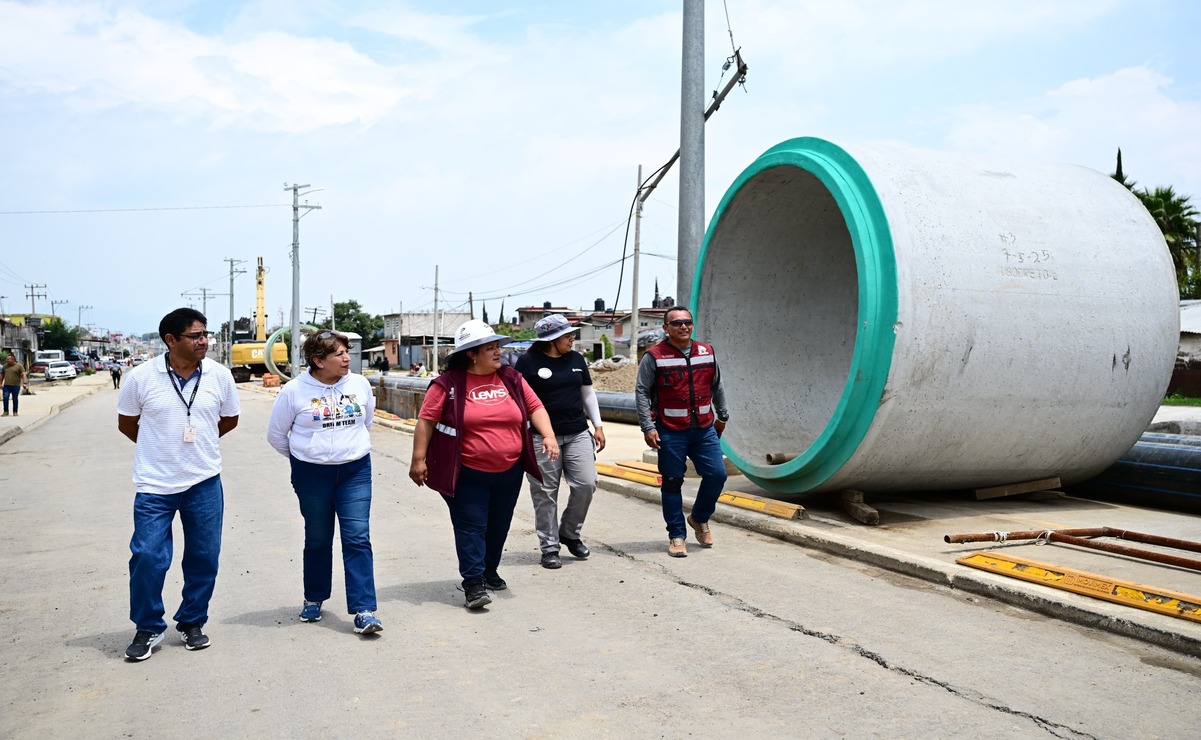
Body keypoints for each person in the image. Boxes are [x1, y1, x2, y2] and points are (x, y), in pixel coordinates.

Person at [116, 308, 240, 660]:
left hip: (203, 482)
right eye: (195, 336)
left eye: (206, 334)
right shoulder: (140, 378)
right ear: (171, 340)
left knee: (203, 556)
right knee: (147, 556)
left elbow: (229, 419)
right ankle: (148, 626)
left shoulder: (219, 376)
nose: (204, 341)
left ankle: (192, 621)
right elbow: (127, 424)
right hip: (154, 485)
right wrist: (163, 448)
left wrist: (198, 446)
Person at [409, 319, 559, 609]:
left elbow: (535, 406)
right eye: (489, 348)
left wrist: (549, 435)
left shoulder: (512, 378)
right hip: (466, 470)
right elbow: (426, 420)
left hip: (509, 469)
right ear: (471, 354)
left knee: (499, 524)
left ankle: (489, 569)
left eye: (497, 347)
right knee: (471, 525)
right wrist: (418, 459)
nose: (497, 352)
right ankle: (473, 583)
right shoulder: (447, 384)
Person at [267, 330, 382, 635]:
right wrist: (307, 457)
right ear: (318, 361)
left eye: (347, 351)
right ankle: (314, 598)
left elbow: (366, 422)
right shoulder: (294, 391)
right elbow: (277, 436)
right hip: (311, 473)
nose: (347, 357)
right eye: (339, 353)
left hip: (355, 471)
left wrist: (346, 448)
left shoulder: (359, 384)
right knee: (318, 537)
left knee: (357, 537)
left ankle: (364, 609)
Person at [635, 306, 730, 558]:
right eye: (676, 323)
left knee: (717, 475)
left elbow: (716, 384)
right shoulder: (654, 356)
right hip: (670, 430)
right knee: (672, 482)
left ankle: (699, 518)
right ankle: (677, 535)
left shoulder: (706, 352)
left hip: (703, 429)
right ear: (666, 328)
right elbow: (642, 392)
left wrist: (723, 414)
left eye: (687, 322)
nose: (683, 327)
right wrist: (648, 426)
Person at [515, 315, 606, 569]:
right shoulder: (527, 363)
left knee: (586, 484)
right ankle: (549, 547)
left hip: (577, 432)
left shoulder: (577, 359)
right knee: (545, 493)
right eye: (567, 335)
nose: (572, 339)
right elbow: (521, 402)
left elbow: (587, 393)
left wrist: (597, 425)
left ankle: (569, 532)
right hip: (541, 438)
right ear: (551, 339)